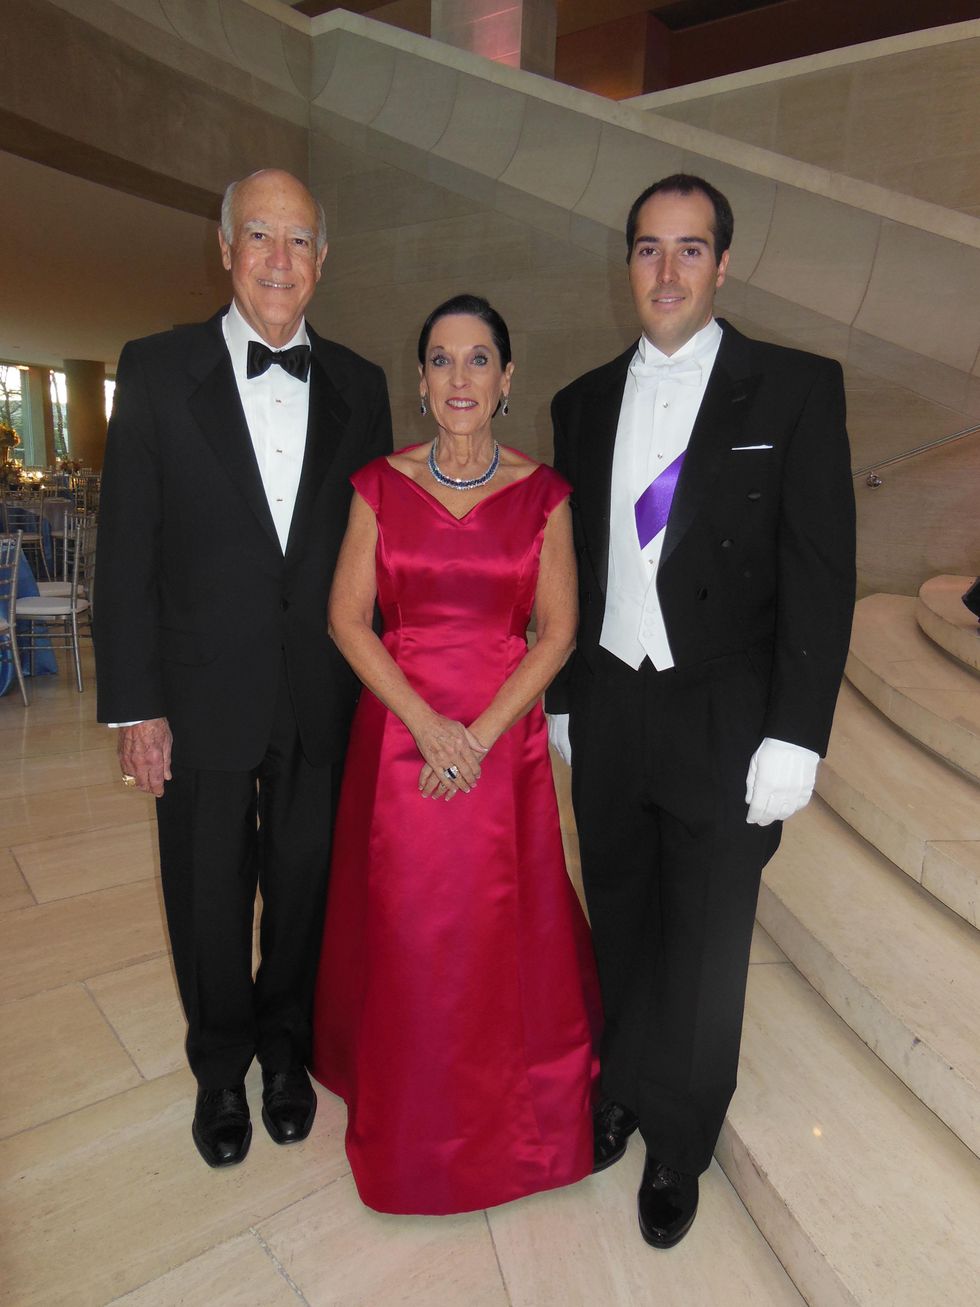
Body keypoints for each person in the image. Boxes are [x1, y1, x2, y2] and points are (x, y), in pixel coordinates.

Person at [546, 175, 855, 1248]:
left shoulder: (795, 388)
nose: (666, 271)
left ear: (722, 265)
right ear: (625, 262)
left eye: (689, 250)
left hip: (727, 710)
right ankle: (622, 1085)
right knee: (621, 908)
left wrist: (796, 731)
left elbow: (820, 571)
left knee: (709, 940)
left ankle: (680, 1135)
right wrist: (563, 703)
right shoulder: (580, 402)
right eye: (646, 249)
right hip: (613, 701)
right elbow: (574, 573)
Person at [95, 168, 392, 1168]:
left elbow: (377, 559)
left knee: (304, 884)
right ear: (224, 249)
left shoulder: (362, 385)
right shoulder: (152, 369)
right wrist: (136, 705)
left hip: (321, 693)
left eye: (298, 240)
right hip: (196, 694)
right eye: (257, 236)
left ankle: (283, 1051)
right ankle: (219, 1068)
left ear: (321, 261)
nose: (277, 258)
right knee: (206, 889)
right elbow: (126, 551)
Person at [311, 293, 601, 1215]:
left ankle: (508, 1113)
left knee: (497, 932)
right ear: (423, 379)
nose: (461, 378)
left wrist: (476, 735)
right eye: (442, 359)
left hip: (499, 743)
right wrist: (428, 725)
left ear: (507, 379)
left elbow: (556, 633)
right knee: (407, 928)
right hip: (400, 739)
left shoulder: (546, 494)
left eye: (480, 360)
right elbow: (347, 621)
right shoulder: (377, 485)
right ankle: (410, 1110)